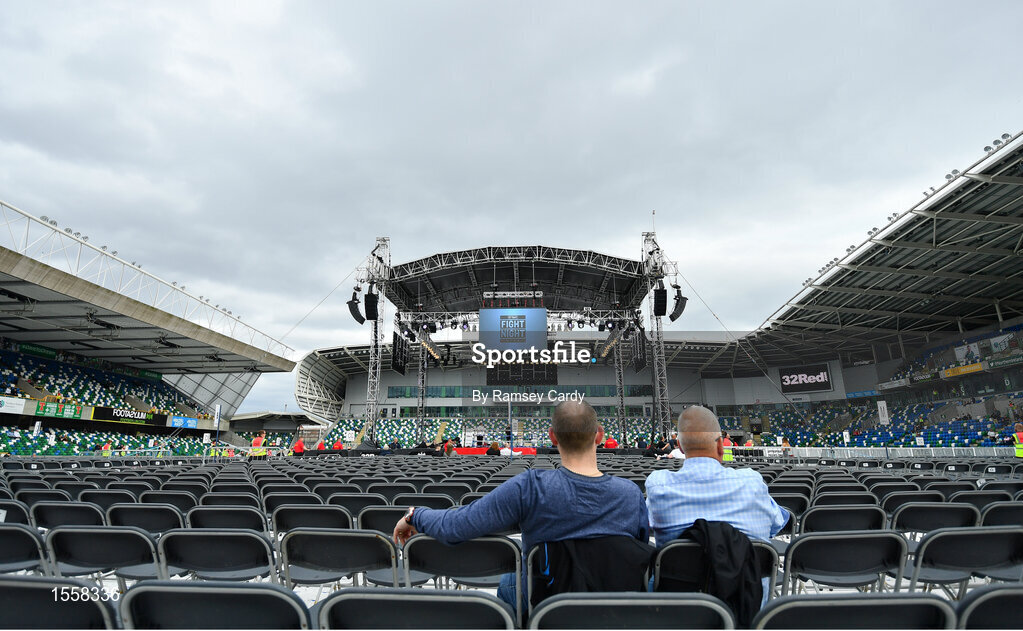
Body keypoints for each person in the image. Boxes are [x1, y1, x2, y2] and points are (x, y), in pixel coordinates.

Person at [393, 400, 649, 612]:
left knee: (509, 581)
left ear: (552, 437)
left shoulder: (530, 487)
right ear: (600, 436)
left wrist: (416, 515)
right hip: (616, 607)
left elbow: (457, 526)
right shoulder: (631, 494)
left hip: (548, 606)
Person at [645, 406, 789, 605]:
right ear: (721, 445)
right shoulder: (752, 482)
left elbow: (643, 530)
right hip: (751, 612)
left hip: (679, 613)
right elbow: (777, 524)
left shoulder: (658, 486)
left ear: (679, 445)